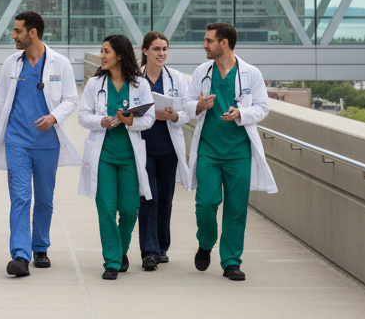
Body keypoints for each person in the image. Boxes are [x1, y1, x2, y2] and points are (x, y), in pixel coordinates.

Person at [0, 11, 80, 277]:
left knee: (44, 199)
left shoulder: (59, 63)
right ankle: (20, 254)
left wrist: (53, 117)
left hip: (47, 142)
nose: (13, 36)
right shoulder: (11, 63)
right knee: (19, 197)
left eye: (17, 31)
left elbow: (70, 99)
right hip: (17, 139)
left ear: (33, 33)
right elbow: (2, 101)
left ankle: (40, 246)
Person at [184, 22, 277, 281]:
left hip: (238, 152)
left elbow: (262, 107)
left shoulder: (251, 74)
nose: (204, 45)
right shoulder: (202, 72)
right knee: (206, 202)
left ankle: (231, 261)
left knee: (236, 208)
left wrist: (241, 113)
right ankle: (205, 243)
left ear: (223, 43)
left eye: (208, 41)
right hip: (209, 151)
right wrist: (199, 105)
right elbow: (188, 105)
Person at [77, 34, 156, 280]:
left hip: (130, 157)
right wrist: (100, 121)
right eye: (101, 51)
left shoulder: (140, 85)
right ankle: (112, 260)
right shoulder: (95, 84)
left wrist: (131, 121)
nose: (101, 56)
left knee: (130, 209)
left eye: (106, 52)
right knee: (107, 209)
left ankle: (121, 249)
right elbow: (82, 116)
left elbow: (150, 118)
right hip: (104, 156)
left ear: (120, 55)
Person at [136, 31, 192, 270]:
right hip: (143, 145)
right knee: (149, 197)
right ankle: (149, 251)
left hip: (168, 147)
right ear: (145, 51)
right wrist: (149, 114)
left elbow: (188, 108)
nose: (161, 53)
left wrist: (175, 115)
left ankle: (161, 245)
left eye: (165, 49)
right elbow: (128, 108)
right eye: (157, 49)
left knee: (166, 199)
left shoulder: (177, 78)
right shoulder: (134, 77)